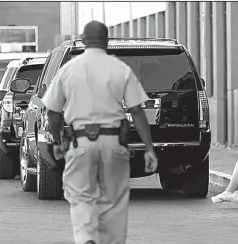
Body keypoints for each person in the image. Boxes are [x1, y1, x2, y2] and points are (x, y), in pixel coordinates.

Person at [42, 20, 158, 244]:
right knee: (114, 201)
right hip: (113, 142)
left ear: (84, 41)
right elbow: (137, 111)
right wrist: (149, 149)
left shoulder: (68, 70)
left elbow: (53, 112)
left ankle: (87, 238)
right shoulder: (120, 68)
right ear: (107, 41)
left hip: (80, 143)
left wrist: (57, 140)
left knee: (81, 195)